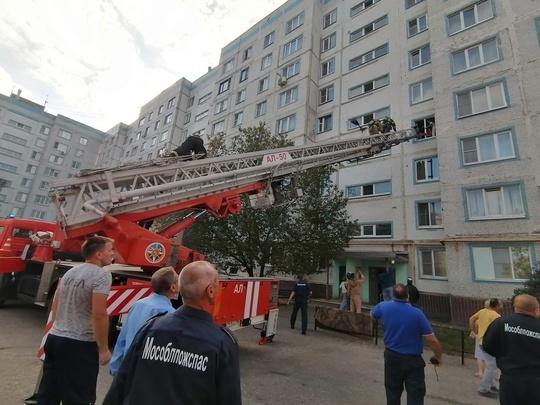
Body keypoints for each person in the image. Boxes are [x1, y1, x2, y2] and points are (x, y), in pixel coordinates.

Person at [102, 261, 241, 405]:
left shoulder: (151, 326)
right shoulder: (222, 342)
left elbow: (121, 382)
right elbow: (229, 397)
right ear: (210, 291)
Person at [37, 236, 115, 405]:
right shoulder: (102, 276)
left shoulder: (70, 273)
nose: (113, 254)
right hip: (80, 345)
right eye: (110, 250)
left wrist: (61, 327)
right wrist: (103, 349)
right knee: (79, 398)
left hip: (56, 339)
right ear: (99, 254)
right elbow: (99, 314)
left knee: (49, 394)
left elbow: (55, 307)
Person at [370, 284, 443, 405]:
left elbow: (372, 315)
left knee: (392, 391)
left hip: (391, 356)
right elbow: (432, 340)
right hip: (412, 360)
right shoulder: (417, 314)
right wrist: (438, 356)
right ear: (407, 296)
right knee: (415, 394)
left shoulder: (383, 307)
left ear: (393, 295)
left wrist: (385, 322)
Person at [109, 266, 179, 376]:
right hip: (146, 372)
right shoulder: (169, 312)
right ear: (173, 287)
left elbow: (123, 337)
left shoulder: (138, 304)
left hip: (127, 366)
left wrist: (115, 367)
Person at [483, 294, 540, 405]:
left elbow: (488, 346)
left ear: (515, 308)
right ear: (536, 310)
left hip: (510, 378)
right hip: (536, 380)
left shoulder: (501, 323)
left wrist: (505, 356)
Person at [468, 298, 503, 398]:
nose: (501, 306)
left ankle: (491, 385)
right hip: (489, 342)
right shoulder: (496, 316)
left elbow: (471, 319)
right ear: (496, 305)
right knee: (491, 366)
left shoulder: (482, 311)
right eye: (500, 305)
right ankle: (483, 389)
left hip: (481, 341)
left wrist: (474, 330)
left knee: (491, 364)